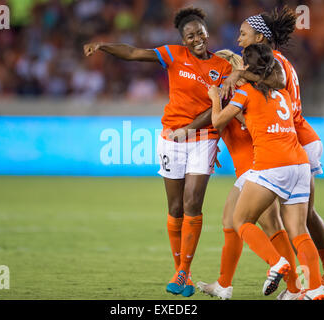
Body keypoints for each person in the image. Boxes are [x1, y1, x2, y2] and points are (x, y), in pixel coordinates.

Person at [84, 7, 233, 297]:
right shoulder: (173, 54)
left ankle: (183, 272)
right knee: (175, 208)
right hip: (170, 138)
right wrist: (103, 46)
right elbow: (134, 53)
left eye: (199, 33)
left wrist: (189, 129)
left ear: (207, 33)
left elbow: (215, 107)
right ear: (183, 39)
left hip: (203, 137)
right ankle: (181, 272)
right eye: (190, 35)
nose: (196, 38)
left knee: (192, 203)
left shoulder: (222, 67)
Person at [224, 6, 324, 292]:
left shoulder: (272, 66)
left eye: (243, 34)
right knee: (302, 219)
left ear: (260, 37)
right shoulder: (280, 62)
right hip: (300, 139)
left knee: (284, 223)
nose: (238, 40)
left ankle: (303, 286)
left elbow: (274, 91)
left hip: (292, 142)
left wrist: (237, 78)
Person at [210, 43, 324, 300]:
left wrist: (214, 98)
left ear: (248, 68)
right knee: (298, 230)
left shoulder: (244, 93)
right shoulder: (281, 91)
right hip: (299, 164)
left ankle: (276, 264)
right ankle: (316, 288)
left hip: (271, 165)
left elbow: (218, 120)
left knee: (240, 221)